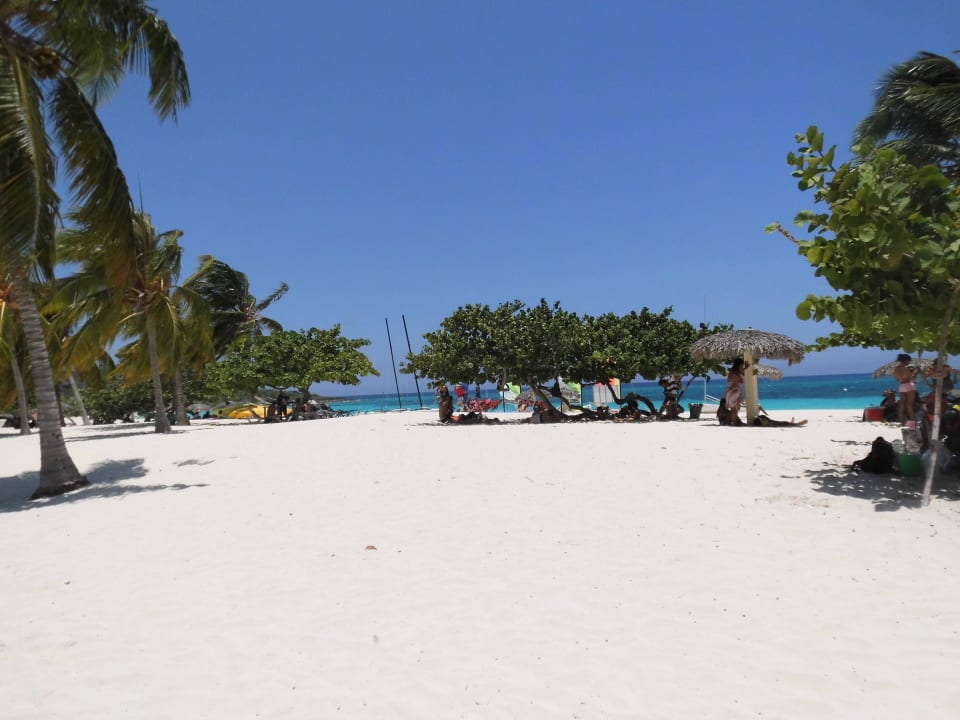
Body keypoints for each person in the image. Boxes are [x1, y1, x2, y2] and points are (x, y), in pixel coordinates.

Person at [893, 353, 917, 427]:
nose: (909, 362)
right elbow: (911, 377)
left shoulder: (896, 369)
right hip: (909, 385)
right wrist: (915, 372)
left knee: (902, 405)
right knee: (910, 405)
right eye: (909, 360)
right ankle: (913, 423)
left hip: (902, 386)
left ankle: (903, 422)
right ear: (906, 360)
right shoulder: (908, 368)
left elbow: (897, 379)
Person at [723, 358, 749, 426]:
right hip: (735, 390)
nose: (742, 366)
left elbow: (732, 378)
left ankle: (733, 421)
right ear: (739, 365)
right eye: (741, 365)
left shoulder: (732, 371)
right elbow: (740, 380)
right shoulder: (737, 371)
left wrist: (745, 367)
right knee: (735, 408)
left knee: (733, 408)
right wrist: (746, 368)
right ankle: (734, 422)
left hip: (730, 390)